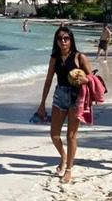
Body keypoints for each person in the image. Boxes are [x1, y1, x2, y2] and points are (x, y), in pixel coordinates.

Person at [36, 27, 94, 184]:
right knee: (54, 135)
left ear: (71, 40)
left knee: (71, 136)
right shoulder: (54, 58)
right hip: (60, 95)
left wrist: (85, 79)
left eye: (66, 38)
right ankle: (64, 156)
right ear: (56, 41)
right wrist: (42, 104)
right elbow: (48, 80)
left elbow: (93, 78)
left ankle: (69, 169)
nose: (63, 41)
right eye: (60, 38)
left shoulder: (79, 57)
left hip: (77, 98)